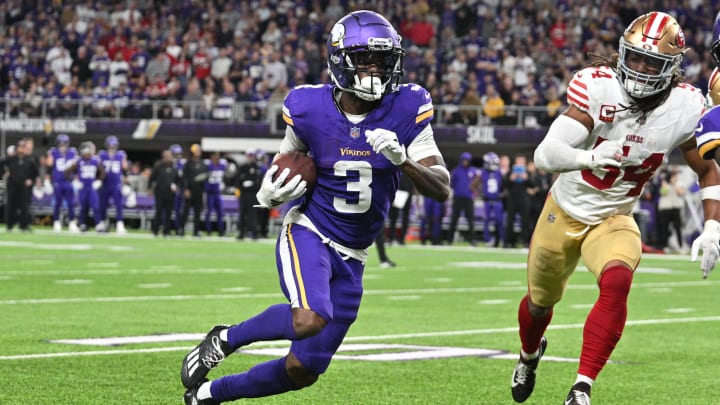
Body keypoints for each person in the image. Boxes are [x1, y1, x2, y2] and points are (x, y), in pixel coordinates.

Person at [180, 10, 450, 404]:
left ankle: (208, 395)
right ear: (340, 60)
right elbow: (285, 161)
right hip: (311, 230)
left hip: (355, 254)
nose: (376, 70)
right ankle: (226, 338)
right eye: (365, 60)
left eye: (383, 60)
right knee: (308, 318)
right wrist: (269, 191)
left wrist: (403, 161)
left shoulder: (408, 106)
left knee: (301, 371)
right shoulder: (308, 107)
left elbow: (442, 187)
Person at [510, 12, 720, 405]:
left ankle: (582, 387)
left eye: (651, 62)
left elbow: (708, 168)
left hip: (614, 216)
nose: (640, 69)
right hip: (564, 209)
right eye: (634, 58)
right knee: (539, 304)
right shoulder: (598, 86)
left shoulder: (687, 106)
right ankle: (528, 354)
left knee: (618, 280)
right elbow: (545, 154)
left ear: (671, 67)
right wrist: (588, 158)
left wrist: (712, 228)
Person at [64, 141, 104, 232]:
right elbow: (66, 172)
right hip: (83, 187)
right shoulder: (78, 160)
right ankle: (82, 224)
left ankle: (98, 224)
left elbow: (103, 172)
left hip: (92, 187)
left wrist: (99, 181)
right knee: (83, 207)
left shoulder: (95, 160)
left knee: (95, 206)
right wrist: (74, 180)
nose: (88, 154)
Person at [47, 134, 79, 232]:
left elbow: (76, 166)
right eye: (60, 143)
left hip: (68, 181)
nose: (62, 145)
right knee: (58, 203)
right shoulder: (53, 152)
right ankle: (56, 222)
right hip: (58, 182)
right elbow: (49, 164)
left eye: (64, 143)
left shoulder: (72, 152)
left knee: (71, 203)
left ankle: (72, 222)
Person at [4, 140, 38, 232]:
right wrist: (5, 173)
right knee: (11, 206)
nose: (21, 149)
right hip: (12, 185)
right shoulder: (11, 159)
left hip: (24, 186)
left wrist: (31, 180)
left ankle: (24, 226)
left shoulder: (29, 160)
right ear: (17, 148)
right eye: (20, 147)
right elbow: (2, 165)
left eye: (23, 147)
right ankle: (10, 225)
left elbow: (35, 172)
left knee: (24, 206)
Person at [447, 152, 480, 245]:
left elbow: (478, 183)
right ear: (461, 160)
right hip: (458, 198)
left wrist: (475, 190)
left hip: (469, 199)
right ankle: (449, 240)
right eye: (464, 160)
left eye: (467, 160)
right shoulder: (456, 171)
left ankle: (472, 240)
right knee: (454, 219)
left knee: (470, 220)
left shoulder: (473, 171)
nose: (465, 162)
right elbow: (452, 184)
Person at [97, 135, 128, 233]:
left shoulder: (121, 155)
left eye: (113, 145)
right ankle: (102, 222)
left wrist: (125, 179)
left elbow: (125, 167)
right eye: (110, 145)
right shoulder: (101, 155)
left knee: (118, 205)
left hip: (116, 183)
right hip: (105, 183)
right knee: (102, 205)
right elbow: (98, 168)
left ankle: (119, 224)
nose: (111, 147)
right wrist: (97, 179)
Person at [503, 154, 532, 248]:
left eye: (521, 161)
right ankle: (509, 242)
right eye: (518, 161)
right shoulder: (510, 171)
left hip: (524, 199)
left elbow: (532, 185)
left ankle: (525, 242)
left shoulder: (528, 172)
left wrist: (526, 178)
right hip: (512, 199)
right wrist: (511, 179)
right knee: (510, 221)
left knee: (525, 221)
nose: (520, 163)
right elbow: (504, 184)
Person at [149, 150, 180, 237]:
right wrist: (150, 188)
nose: (169, 158)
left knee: (168, 213)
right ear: (164, 157)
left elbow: (178, 180)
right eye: (167, 156)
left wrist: (177, 187)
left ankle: (166, 231)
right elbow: (152, 178)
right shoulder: (158, 166)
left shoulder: (174, 167)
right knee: (158, 212)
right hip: (159, 192)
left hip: (170, 194)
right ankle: (155, 230)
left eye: (170, 156)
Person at [234, 149, 263, 240]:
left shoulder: (257, 167)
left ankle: (254, 233)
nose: (250, 158)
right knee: (242, 213)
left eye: (252, 156)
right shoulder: (242, 167)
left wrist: (251, 183)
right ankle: (241, 233)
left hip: (253, 194)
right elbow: (238, 180)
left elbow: (258, 181)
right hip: (244, 194)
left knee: (253, 214)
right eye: (249, 156)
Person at [182, 144, 208, 237]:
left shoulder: (203, 164)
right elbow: (184, 178)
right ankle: (181, 229)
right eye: (196, 150)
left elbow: (206, 176)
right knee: (185, 211)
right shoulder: (188, 164)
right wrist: (186, 189)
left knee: (198, 212)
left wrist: (203, 178)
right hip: (190, 190)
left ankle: (196, 231)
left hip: (199, 191)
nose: (198, 152)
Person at [480, 152, 504, 247]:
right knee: (486, 221)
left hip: (497, 200)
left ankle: (500, 239)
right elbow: (476, 184)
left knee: (499, 221)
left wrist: (502, 194)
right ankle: (487, 239)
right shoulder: (483, 173)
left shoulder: (499, 172)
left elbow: (504, 185)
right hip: (487, 200)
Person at [204, 152, 228, 236]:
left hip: (218, 192)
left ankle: (220, 230)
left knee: (220, 212)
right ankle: (208, 230)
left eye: (217, 158)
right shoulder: (207, 166)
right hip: (209, 192)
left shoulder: (222, 166)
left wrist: (224, 185)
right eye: (214, 158)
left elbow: (225, 176)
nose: (216, 159)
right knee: (208, 212)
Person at [387, 172, 413, 245]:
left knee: (394, 216)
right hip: (407, 191)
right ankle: (401, 239)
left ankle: (392, 238)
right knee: (404, 216)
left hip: (400, 192)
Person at [170, 144, 186, 235]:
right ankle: (166, 227)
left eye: (178, 153)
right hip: (169, 190)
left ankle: (178, 228)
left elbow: (184, 177)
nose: (177, 155)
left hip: (180, 189)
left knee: (179, 210)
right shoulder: (169, 163)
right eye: (175, 153)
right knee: (167, 210)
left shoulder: (182, 163)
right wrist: (171, 184)